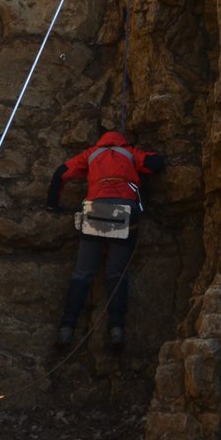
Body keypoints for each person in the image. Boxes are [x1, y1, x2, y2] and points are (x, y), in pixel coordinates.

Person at [46, 129, 165, 350]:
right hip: (124, 213)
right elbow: (155, 163)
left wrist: (53, 203)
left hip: (95, 209)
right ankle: (116, 330)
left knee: (83, 272)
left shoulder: (90, 154)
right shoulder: (130, 153)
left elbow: (61, 173)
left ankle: (67, 328)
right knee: (116, 274)